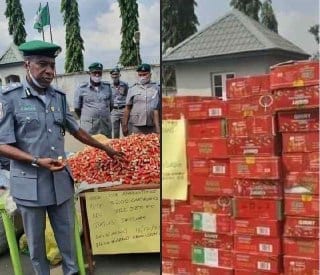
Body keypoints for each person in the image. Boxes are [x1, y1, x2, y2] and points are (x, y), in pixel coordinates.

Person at [0, 40, 124, 275]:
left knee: (67, 241)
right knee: (36, 248)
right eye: (42, 65)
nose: (49, 71)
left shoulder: (58, 96)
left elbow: (76, 130)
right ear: (27, 65)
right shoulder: (10, 98)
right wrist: (36, 160)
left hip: (60, 185)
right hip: (30, 186)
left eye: (52, 65)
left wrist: (105, 148)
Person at [74, 62, 113, 138]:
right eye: (95, 73)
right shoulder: (82, 88)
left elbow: (111, 105)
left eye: (99, 73)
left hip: (105, 126)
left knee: (107, 147)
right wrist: (88, 116)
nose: (97, 75)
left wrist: (102, 114)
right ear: (90, 73)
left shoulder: (107, 87)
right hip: (90, 128)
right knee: (91, 149)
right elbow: (77, 108)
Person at [122, 63, 160, 135]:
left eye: (145, 74)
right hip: (136, 125)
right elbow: (127, 108)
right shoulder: (132, 89)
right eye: (140, 75)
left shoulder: (156, 88)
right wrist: (124, 125)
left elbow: (157, 109)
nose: (143, 77)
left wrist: (158, 128)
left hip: (152, 125)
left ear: (150, 74)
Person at [110, 68, 128, 138]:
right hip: (114, 111)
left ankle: (127, 145)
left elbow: (128, 97)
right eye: (113, 75)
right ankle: (116, 147)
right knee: (115, 132)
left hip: (123, 110)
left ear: (119, 75)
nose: (115, 76)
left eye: (116, 74)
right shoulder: (109, 86)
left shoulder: (125, 85)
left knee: (125, 130)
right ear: (111, 76)